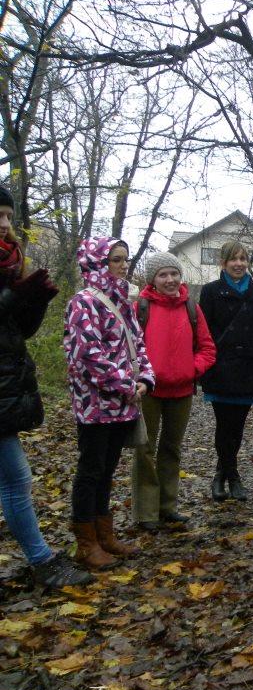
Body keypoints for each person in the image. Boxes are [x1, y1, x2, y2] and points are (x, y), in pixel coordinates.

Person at [0, 185, 93, 588]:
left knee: (14, 479)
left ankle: (42, 560)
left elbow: (18, 332)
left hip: (6, 386)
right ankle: (42, 562)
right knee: (16, 479)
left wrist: (34, 302)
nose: (5, 224)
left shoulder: (9, 263)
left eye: (8, 216)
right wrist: (12, 297)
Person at [64, 235, 155, 570]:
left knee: (107, 470)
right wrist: (126, 384)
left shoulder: (123, 301)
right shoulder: (83, 303)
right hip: (95, 405)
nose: (123, 265)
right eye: (116, 259)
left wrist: (145, 378)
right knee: (91, 470)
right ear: (97, 263)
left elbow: (138, 345)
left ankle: (105, 535)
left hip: (123, 403)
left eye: (125, 259)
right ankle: (86, 543)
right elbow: (88, 356)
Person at [131, 252, 216, 530]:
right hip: (149, 391)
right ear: (152, 279)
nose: (170, 279)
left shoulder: (191, 308)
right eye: (163, 275)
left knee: (171, 448)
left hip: (181, 392)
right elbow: (129, 348)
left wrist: (191, 370)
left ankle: (167, 507)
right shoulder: (140, 308)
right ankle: (146, 513)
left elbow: (207, 348)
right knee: (145, 449)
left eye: (174, 273)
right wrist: (141, 377)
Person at [199, 241, 253, 501]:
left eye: (243, 259)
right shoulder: (210, 291)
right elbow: (203, 332)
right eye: (234, 259)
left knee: (238, 426)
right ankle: (230, 476)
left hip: (248, 367)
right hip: (221, 368)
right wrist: (208, 362)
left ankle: (224, 473)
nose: (239, 264)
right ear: (224, 262)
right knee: (223, 425)